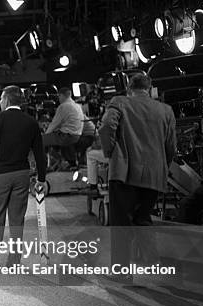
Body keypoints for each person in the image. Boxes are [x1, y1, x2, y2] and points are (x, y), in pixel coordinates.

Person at [100, 74, 176, 279]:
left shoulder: (120, 102)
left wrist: (110, 153)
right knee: (143, 218)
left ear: (129, 89)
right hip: (153, 174)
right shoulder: (165, 110)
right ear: (150, 89)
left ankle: (122, 272)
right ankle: (153, 266)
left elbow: (106, 126)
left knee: (121, 223)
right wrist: (161, 166)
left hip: (124, 173)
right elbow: (171, 147)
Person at [0, 85, 47, 269]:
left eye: (1, 98)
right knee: (17, 219)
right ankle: (14, 261)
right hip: (22, 174)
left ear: (7, 100)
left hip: (0, 174)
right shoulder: (31, 122)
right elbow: (39, 153)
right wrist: (41, 177)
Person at [42, 87, 84, 170]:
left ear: (61, 95)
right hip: (77, 135)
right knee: (51, 138)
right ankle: (60, 160)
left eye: (59, 96)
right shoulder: (77, 106)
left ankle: (42, 166)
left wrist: (45, 134)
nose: (58, 98)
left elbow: (54, 124)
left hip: (66, 136)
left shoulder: (63, 106)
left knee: (41, 140)